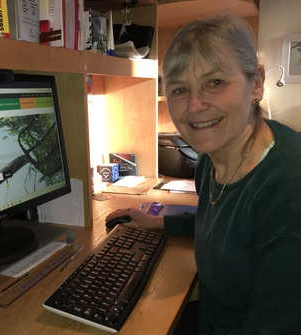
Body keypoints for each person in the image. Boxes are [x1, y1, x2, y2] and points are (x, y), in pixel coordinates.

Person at [106, 14, 301, 334]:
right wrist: (159, 223)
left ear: (257, 83)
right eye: (180, 88)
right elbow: (227, 225)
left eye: (215, 82)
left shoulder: (288, 191)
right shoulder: (214, 155)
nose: (195, 105)